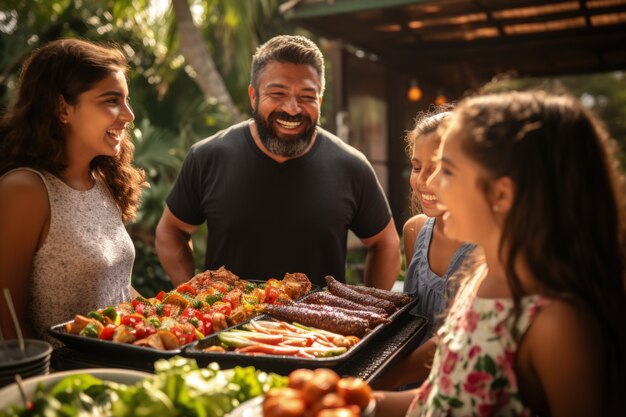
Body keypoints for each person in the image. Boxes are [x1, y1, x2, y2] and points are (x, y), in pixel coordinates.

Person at [375, 90, 626, 416]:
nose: (431, 184)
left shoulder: (557, 325)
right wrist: (355, 402)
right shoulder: (480, 279)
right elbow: (443, 398)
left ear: (502, 194)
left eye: (447, 170)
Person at [155, 35, 401, 289]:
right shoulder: (207, 157)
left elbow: (386, 243)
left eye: (307, 96)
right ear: (253, 95)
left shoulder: (351, 166)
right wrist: (192, 294)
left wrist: (371, 307)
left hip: (318, 328)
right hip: (228, 325)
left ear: (321, 98)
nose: (293, 109)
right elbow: (171, 231)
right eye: (277, 93)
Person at [0, 38, 147, 344]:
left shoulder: (103, 181)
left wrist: (166, 315)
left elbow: (116, 288)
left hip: (124, 369)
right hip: (68, 382)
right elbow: (8, 323)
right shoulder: (25, 191)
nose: (128, 114)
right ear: (62, 108)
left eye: (126, 99)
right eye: (111, 100)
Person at [375, 108, 475, 390]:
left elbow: (458, 338)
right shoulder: (415, 230)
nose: (423, 181)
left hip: (458, 387)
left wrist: (384, 381)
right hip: (406, 382)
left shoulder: (484, 248)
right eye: (418, 167)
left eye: (438, 169)